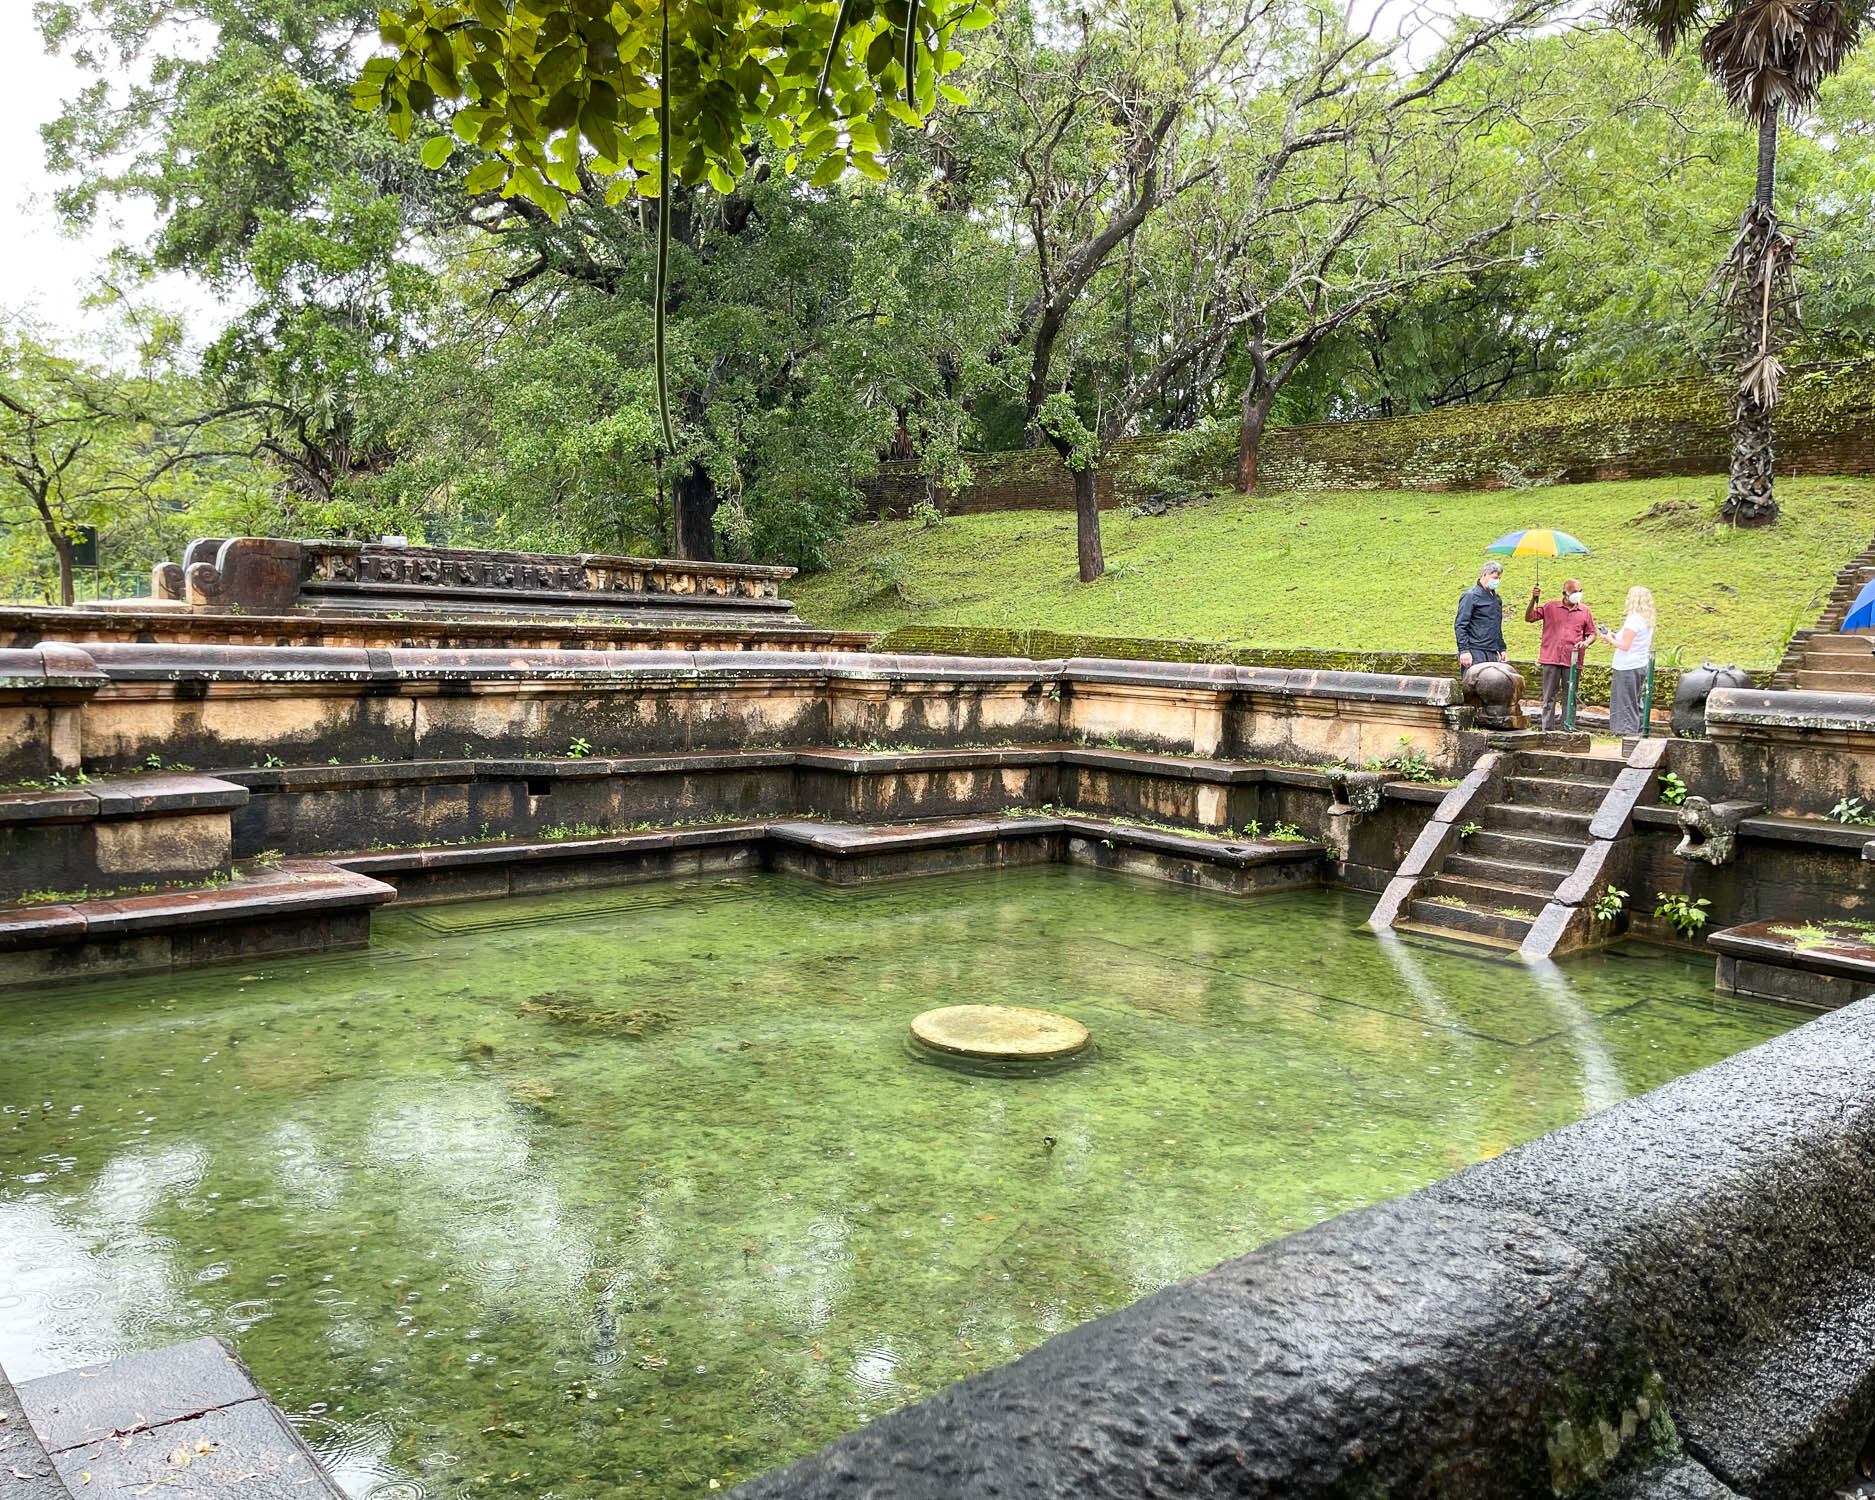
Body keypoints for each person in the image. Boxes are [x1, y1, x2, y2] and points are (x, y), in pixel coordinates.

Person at [1525, 576, 1598, 731]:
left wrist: (1585, 643)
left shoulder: (1585, 611)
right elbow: (1530, 617)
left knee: (1570, 697)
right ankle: (1547, 730)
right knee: (1549, 697)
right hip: (1551, 658)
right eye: (1575, 592)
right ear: (1565, 593)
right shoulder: (1551, 607)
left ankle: (1567, 729)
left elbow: (1592, 634)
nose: (1578, 594)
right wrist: (1533, 599)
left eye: (1580, 591)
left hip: (1573, 660)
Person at [1599, 585, 1657, 735]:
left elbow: (1625, 645)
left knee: (1625, 701)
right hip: (1639, 663)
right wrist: (1612, 636)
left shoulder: (1633, 620)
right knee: (1634, 699)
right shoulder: (1645, 620)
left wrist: (1608, 639)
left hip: (1627, 666)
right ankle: (1637, 728)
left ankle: (1626, 731)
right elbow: (1627, 640)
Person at [1455, 561, 1507, 671]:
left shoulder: (1497, 599)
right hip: (1475, 651)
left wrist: (1502, 648)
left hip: (1492, 652)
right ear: (1484, 575)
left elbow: (1496, 626)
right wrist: (1464, 651)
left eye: (1499, 578)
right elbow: (1460, 625)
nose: (1497, 581)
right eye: (1494, 578)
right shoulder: (1470, 596)